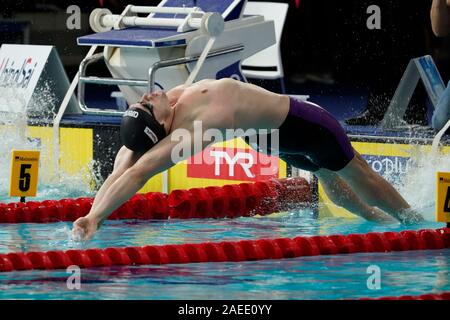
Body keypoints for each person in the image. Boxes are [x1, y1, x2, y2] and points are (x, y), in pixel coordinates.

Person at [72, 79, 422, 240]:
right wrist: (95, 218)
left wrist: (91, 214)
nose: (147, 95)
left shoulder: (170, 104)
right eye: (146, 105)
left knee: (328, 176)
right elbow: (138, 173)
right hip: (305, 126)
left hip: (271, 140)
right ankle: (412, 220)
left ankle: (378, 219)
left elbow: (126, 160)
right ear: (160, 124)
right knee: (358, 174)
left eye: (141, 101)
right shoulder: (192, 130)